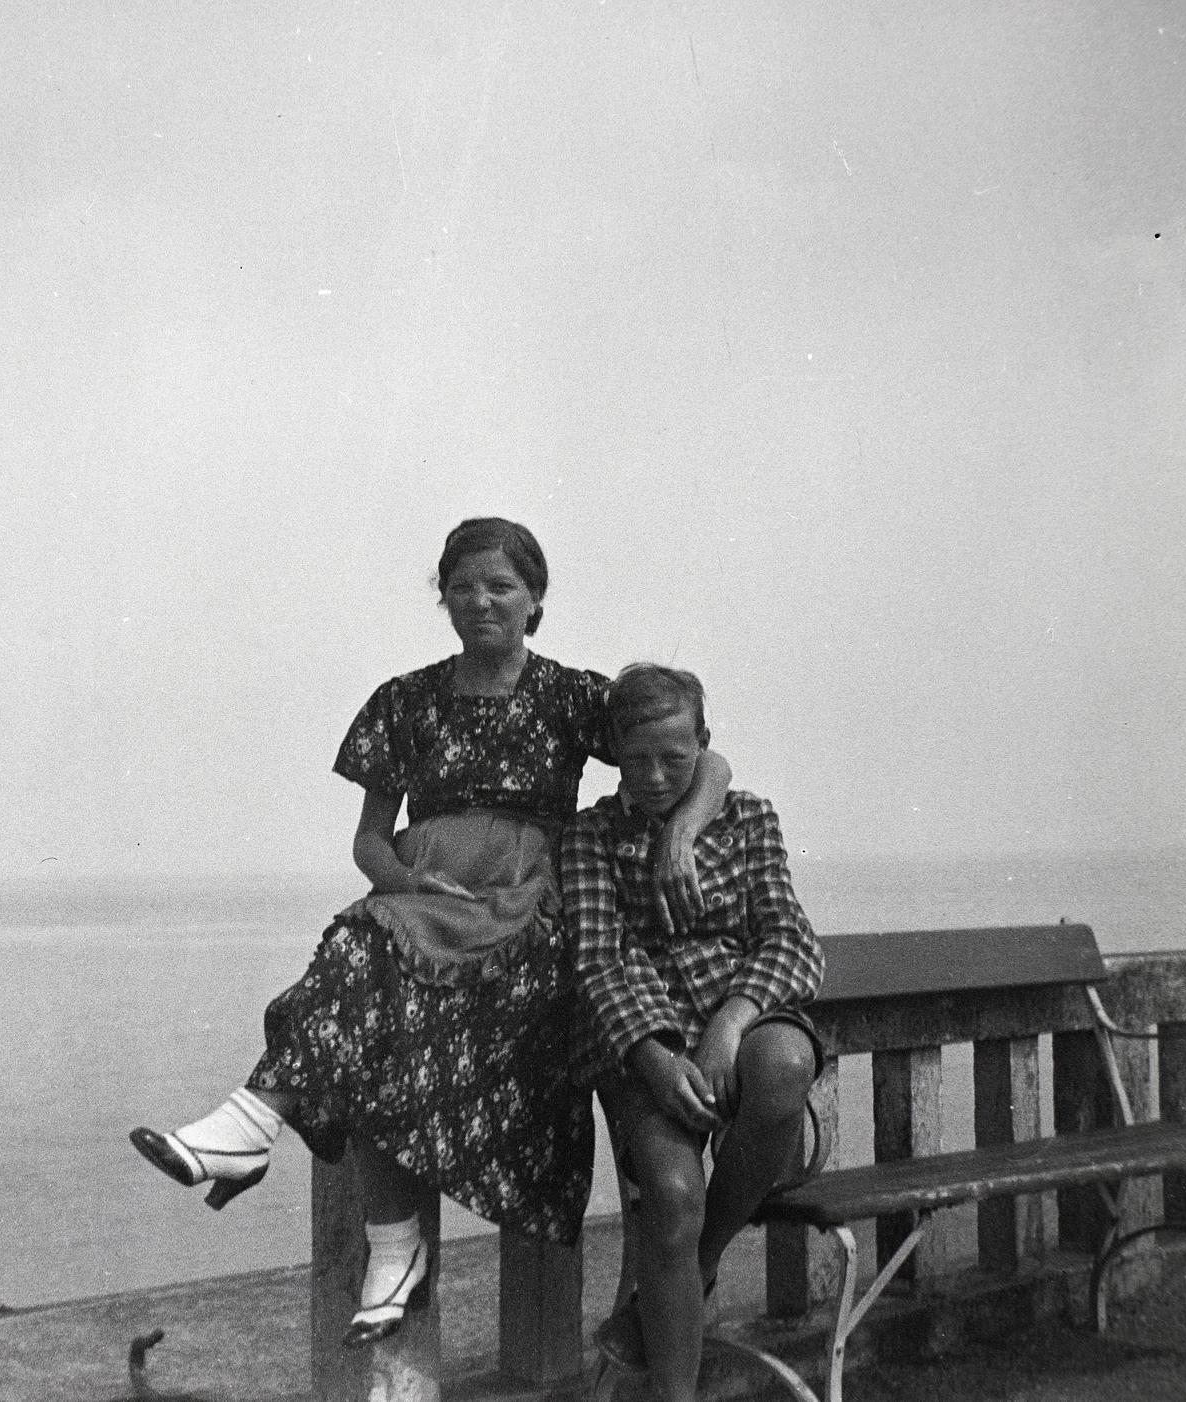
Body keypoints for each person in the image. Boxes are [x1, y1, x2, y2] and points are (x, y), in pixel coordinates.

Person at [130, 519, 734, 1348]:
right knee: (354, 954)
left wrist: (680, 832)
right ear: (442, 597)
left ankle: (362, 1225)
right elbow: (369, 841)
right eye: (463, 586)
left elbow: (705, 759)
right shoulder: (403, 700)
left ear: (535, 603)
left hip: (529, 904)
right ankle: (265, 1138)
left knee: (370, 1014)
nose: (481, 600)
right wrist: (409, 881)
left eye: (502, 587)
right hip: (432, 894)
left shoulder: (571, 696)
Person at [563, 664, 824, 1402]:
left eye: (674, 759)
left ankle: (694, 1269)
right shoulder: (590, 839)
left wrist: (730, 1027)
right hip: (646, 1045)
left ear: (703, 744)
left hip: (737, 1021)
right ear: (613, 751)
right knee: (673, 1195)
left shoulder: (749, 820)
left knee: (783, 1063)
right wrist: (656, 1057)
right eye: (635, 758)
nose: (652, 776)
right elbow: (600, 960)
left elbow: (790, 939)